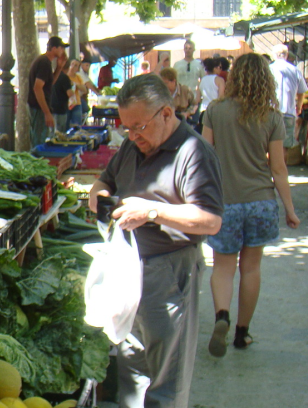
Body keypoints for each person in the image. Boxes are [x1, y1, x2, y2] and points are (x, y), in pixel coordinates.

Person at [88, 74, 223, 408]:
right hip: (128, 270)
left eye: (139, 127)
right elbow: (101, 184)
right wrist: (100, 197)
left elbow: (211, 220)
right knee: (132, 371)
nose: (133, 136)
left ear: (165, 113)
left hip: (169, 272)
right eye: (127, 128)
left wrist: (152, 212)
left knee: (166, 378)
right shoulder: (132, 147)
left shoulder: (194, 152)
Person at [201, 53, 300, 357]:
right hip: (260, 201)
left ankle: (222, 316)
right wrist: (290, 209)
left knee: (223, 267)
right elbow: (279, 169)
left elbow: (203, 157)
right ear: (265, 80)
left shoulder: (215, 111)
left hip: (225, 202)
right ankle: (242, 334)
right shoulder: (270, 117)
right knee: (252, 268)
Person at [27, 36, 69, 147]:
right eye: (61, 48)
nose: (63, 51)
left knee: (40, 139)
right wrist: (47, 113)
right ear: (54, 48)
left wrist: (59, 68)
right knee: (39, 143)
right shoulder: (44, 62)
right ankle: (36, 162)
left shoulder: (45, 62)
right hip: (38, 108)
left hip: (38, 107)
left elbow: (49, 83)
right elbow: (37, 88)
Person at [269, 43, 307, 158]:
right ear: (286, 55)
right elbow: (302, 92)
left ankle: (269, 171)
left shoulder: (268, 69)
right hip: (289, 113)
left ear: (274, 55)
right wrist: (299, 106)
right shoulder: (295, 70)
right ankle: (280, 171)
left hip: (270, 111)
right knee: (283, 146)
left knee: (269, 144)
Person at [50, 58, 77, 133]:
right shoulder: (65, 78)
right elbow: (69, 93)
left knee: (51, 132)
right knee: (60, 132)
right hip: (61, 108)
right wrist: (73, 89)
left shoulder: (52, 76)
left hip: (50, 107)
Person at [67, 60, 87, 126]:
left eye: (76, 65)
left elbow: (84, 89)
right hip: (66, 103)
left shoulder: (78, 77)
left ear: (77, 68)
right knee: (65, 125)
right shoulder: (65, 76)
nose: (73, 66)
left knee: (77, 125)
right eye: (72, 64)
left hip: (76, 103)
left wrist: (75, 84)